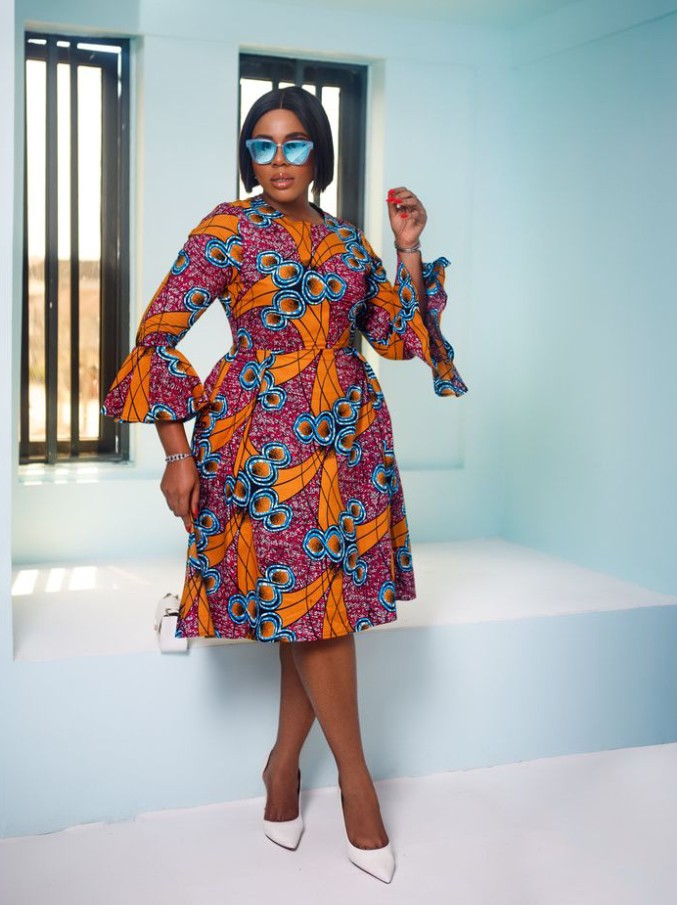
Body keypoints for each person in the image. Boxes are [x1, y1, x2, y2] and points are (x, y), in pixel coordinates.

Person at [102, 86, 467, 884]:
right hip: (262, 442)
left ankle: (280, 769)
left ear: (317, 153)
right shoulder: (225, 229)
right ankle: (358, 788)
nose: (277, 160)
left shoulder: (346, 242)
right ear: (248, 155)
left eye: (294, 144)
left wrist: (407, 250)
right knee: (310, 604)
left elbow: (396, 337)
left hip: (348, 439)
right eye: (261, 145)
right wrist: (175, 451)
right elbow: (156, 333)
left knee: (312, 605)